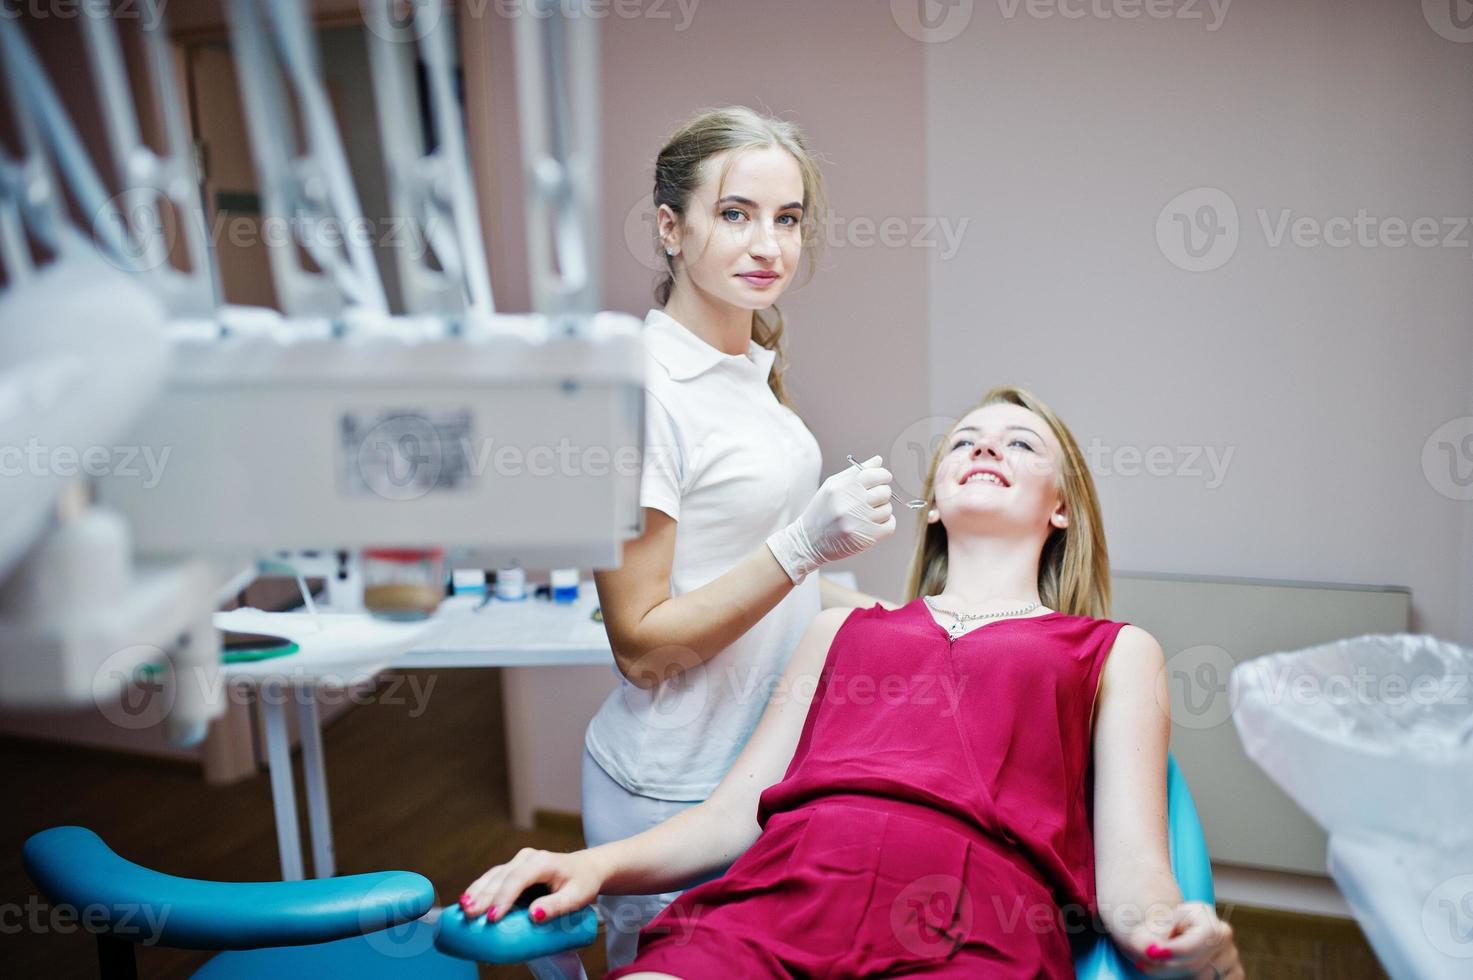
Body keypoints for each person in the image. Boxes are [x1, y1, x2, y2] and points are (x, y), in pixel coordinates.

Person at [462, 386, 1245, 979]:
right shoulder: (841, 630)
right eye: (964, 441)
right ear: (932, 504)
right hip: (780, 894)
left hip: (974, 924)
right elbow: (734, 816)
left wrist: (1174, 936)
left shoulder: (1112, 651)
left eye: (1019, 445)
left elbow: (1134, 866)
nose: (985, 449)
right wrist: (590, 865)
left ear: (1063, 507)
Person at [577, 106, 898, 968]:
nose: (768, 245)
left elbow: (740, 573)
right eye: (735, 214)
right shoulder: (638, 390)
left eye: (787, 220)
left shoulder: (745, 369)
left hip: (761, 774)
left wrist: (893, 618)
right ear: (669, 228)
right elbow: (641, 646)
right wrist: (803, 546)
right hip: (672, 786)